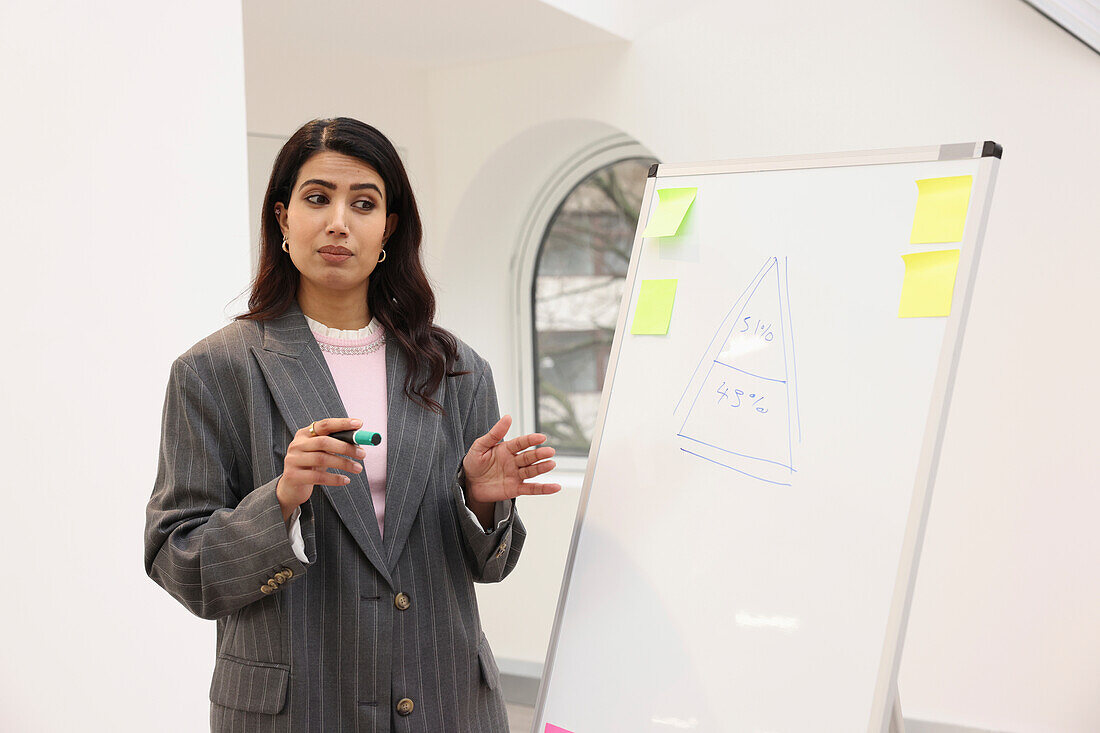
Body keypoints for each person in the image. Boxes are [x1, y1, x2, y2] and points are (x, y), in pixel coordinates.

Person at [144, 117, 560, 732]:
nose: (340, 221)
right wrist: (282, 499)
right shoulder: (213, 372)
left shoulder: (455, 370)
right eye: (318, 199)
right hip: (298, 709)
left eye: (363, 203)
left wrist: (476, 501)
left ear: (387, 228)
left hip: (444, 702)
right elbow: (179, 562)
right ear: (282, 219)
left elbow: (488, 567)